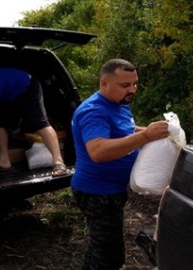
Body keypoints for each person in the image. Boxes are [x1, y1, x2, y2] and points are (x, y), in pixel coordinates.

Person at [70, 58, 170, 270]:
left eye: (134, 84)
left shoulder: (118, 104)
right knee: (106, 254)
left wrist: (154, 133)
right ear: (104, 84)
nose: (132, 90)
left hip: (111, 190)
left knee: (107, 248)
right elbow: (98, 151)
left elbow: (125, 129)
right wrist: (146, 137)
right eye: (125, 85)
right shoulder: (94, 111)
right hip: (97, 193)